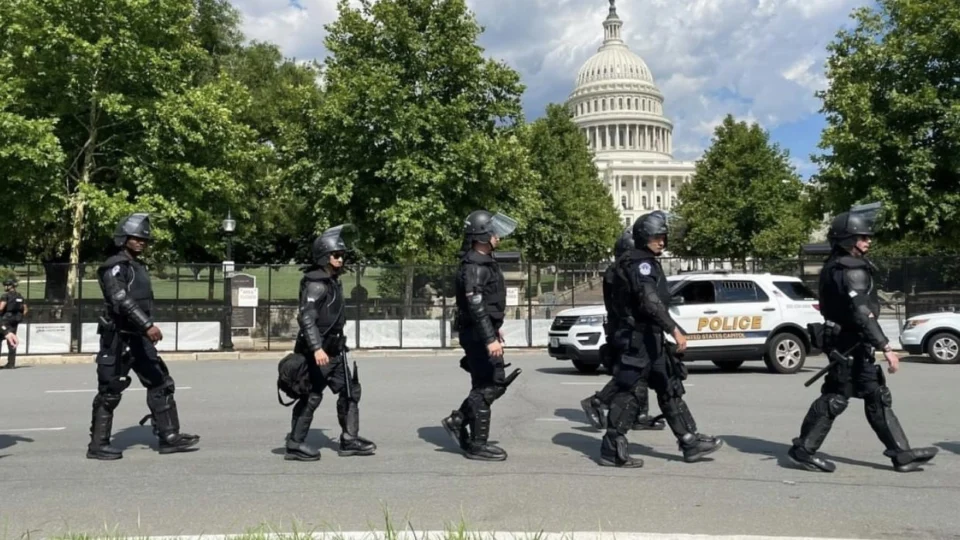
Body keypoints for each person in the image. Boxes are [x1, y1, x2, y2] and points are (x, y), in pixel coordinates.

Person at [787, 202, 938, 473]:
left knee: (876, 395)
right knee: (836, 397)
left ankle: (901, 454)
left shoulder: (836, 266)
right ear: (847, 239)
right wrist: (886, 347)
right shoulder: (849, 269)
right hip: (847, 344)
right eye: (862, 237)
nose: (868, 241)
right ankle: (803, 450)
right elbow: (862, 312)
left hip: (853, 343)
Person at [601, 211, 723, 467]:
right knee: (632, 392)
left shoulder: (643, 261)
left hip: (651, 338)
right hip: (637, 339)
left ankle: (689, 441)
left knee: (669, 386)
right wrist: (674, 329)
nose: (662, 241)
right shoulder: (640, 264)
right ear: (643, 237)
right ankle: (612, 448)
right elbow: (649, 300)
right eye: (656, 236)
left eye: (664, 236)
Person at [86, 213, 200, 460]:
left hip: (138, 338)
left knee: (161, 382)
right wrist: (147, 325)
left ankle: (169, 436)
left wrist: (144, 328)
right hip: (118, 338)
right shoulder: (115, 266)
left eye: (144, 239)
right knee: (110, 390)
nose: (141, 242)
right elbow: (119, 298)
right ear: (123, 238)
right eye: (136, 238)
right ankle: (98, 444)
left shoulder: (136, 266)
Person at [285, 224, 376, 461]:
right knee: (312, 396)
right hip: (319, 353)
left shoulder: (332, 280)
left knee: (350, 391)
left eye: (342, 255)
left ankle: (349, 439)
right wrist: (316, 348)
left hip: (335, 350)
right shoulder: (316, 283)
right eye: (336, 255)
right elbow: (306, 318)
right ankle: (295, 443)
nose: (340, 259)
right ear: (324, 256)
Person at [441, 210, 518, 461]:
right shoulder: (475, 266)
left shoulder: (483, 262)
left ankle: (459, 422)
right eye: (493, 232)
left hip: (480, 331)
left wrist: (494, 328)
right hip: (477, 335)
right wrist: (489, 339)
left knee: (487, 385)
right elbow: (476, 306)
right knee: (489, 385)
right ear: (481, 235)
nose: (498, 237)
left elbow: (486, 305)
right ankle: (477, 443)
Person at [580, 228, 664, 431]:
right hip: (625, 328)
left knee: (641, 372)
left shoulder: (624, 269)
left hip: (632, 328)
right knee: (632, 372)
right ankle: (599, 401)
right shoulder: (618, 271)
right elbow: (624, 303)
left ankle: (638, 414)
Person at [0, 278, 26, 369]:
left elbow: (1, 308)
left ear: (10, 286)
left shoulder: (5, 296)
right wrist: (18, 317)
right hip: (15, 321)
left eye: (5, 285)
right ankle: (11, 363)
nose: (4, 287)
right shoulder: (20, 296)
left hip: (5, 320)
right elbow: (25, 309)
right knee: (12, 341)